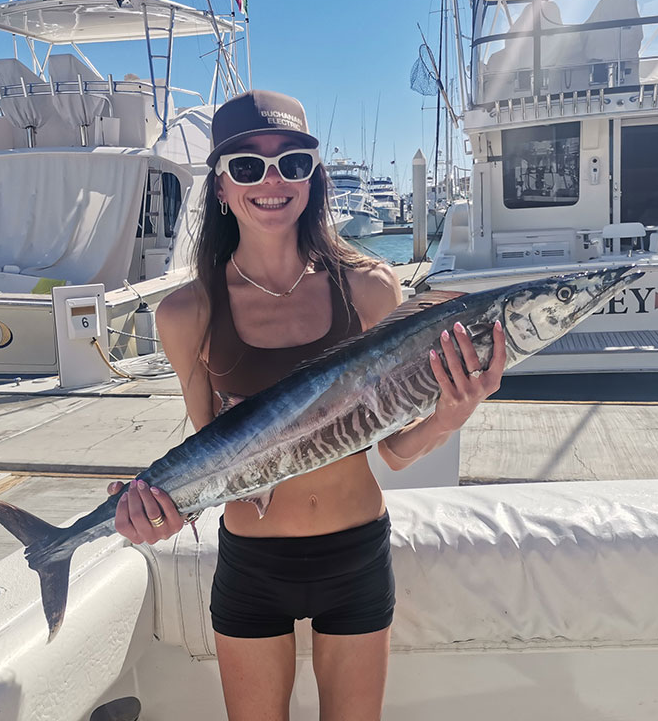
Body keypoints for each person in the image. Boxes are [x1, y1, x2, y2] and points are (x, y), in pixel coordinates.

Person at [109, 89, 506, 720]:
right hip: (251, 563)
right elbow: (217, 454)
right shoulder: (186, 312)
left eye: (292, 163)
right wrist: (161, 509)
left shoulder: (370, 287)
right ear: (219, 186)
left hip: (356, 557)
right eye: (247, 166)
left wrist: (451, 413)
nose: (271, 180)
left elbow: (394, 453)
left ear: (313, 178)